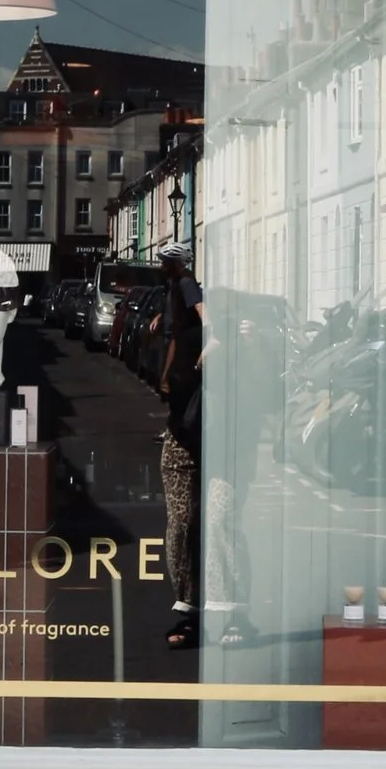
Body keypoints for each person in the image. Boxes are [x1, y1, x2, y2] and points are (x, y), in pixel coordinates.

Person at [153, 244, 208, 650]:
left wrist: (214, 342)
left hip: (212, 439)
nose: (162, 266)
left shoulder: (187, 284)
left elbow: (204, 315)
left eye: (165, 261)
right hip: (183, 433)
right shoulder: (175, 290)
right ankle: (187, 605)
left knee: (216, 525)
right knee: (182, 525)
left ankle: (220, 607)